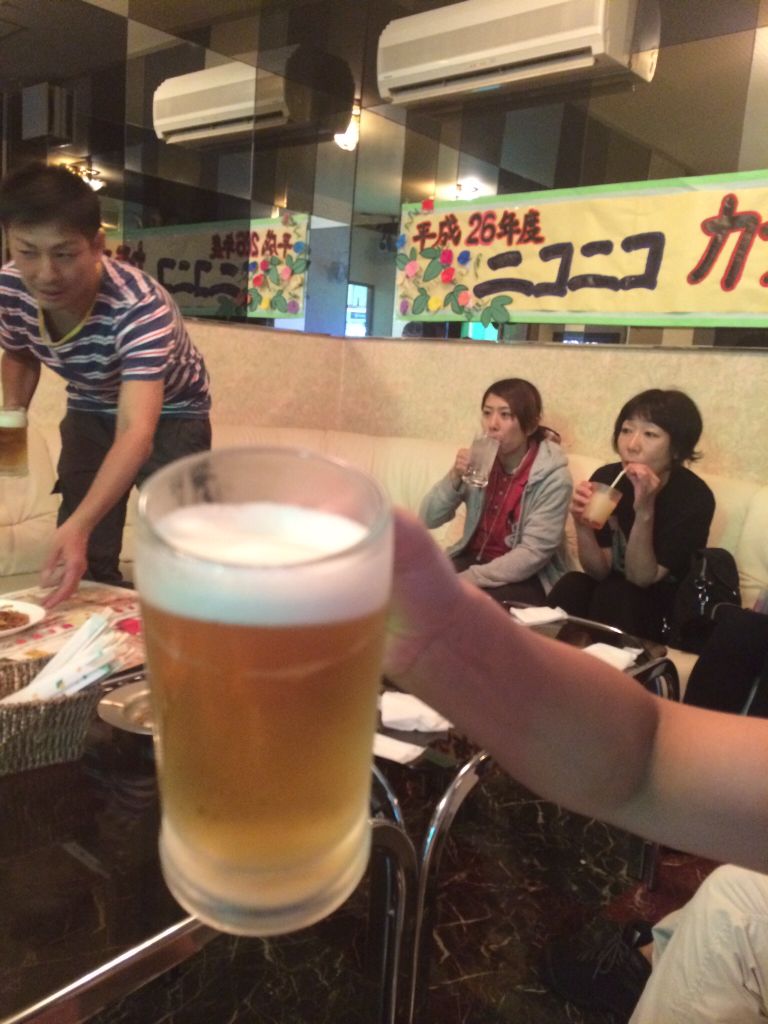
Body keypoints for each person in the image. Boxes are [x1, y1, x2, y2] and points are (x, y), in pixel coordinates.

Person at [384, 509, 768, 1022]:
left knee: (731, 911)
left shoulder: (686, 498)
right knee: (733, 892)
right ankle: (652, 959)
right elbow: (649, 757)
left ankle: (651, 963)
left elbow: (645, 758)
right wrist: (459, 641)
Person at [0, 162, 212, 607]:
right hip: (89, 402)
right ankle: (90, 630)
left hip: (174, 411)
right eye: (28, 252)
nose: (45, 274)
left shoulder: (139, 307)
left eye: (64, 254)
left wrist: (78, 526)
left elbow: (136, 431)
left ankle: (186, 621)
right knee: (85, 544)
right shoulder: (10, 289)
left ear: (97, 245)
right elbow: (19, 351)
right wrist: (12, 422)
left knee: (182, 539)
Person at [546, 388, 715, 642]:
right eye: (626, 430)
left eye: (650, 434)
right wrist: (581, 525)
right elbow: (598, 572)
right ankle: (536, 658)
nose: (632, 445)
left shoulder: (694, 497)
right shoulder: (607, 478)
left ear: (677, 449)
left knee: (618, 593)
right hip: (610, 595)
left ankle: (602, 667)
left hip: (662, 610)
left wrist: (644, 509)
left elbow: (641, 578)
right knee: (573, 584)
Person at [419, 378, 572, 604]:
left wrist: (467, 579)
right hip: (472, 559)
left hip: (527, 577)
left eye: (505, 415)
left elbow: (532, 554)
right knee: (412, 587)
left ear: (530, 426)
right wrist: (454, 476)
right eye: (487, 413)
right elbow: (428, 518)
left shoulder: (554, 478)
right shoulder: (480, 460)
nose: (492, 424)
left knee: (467, 604)